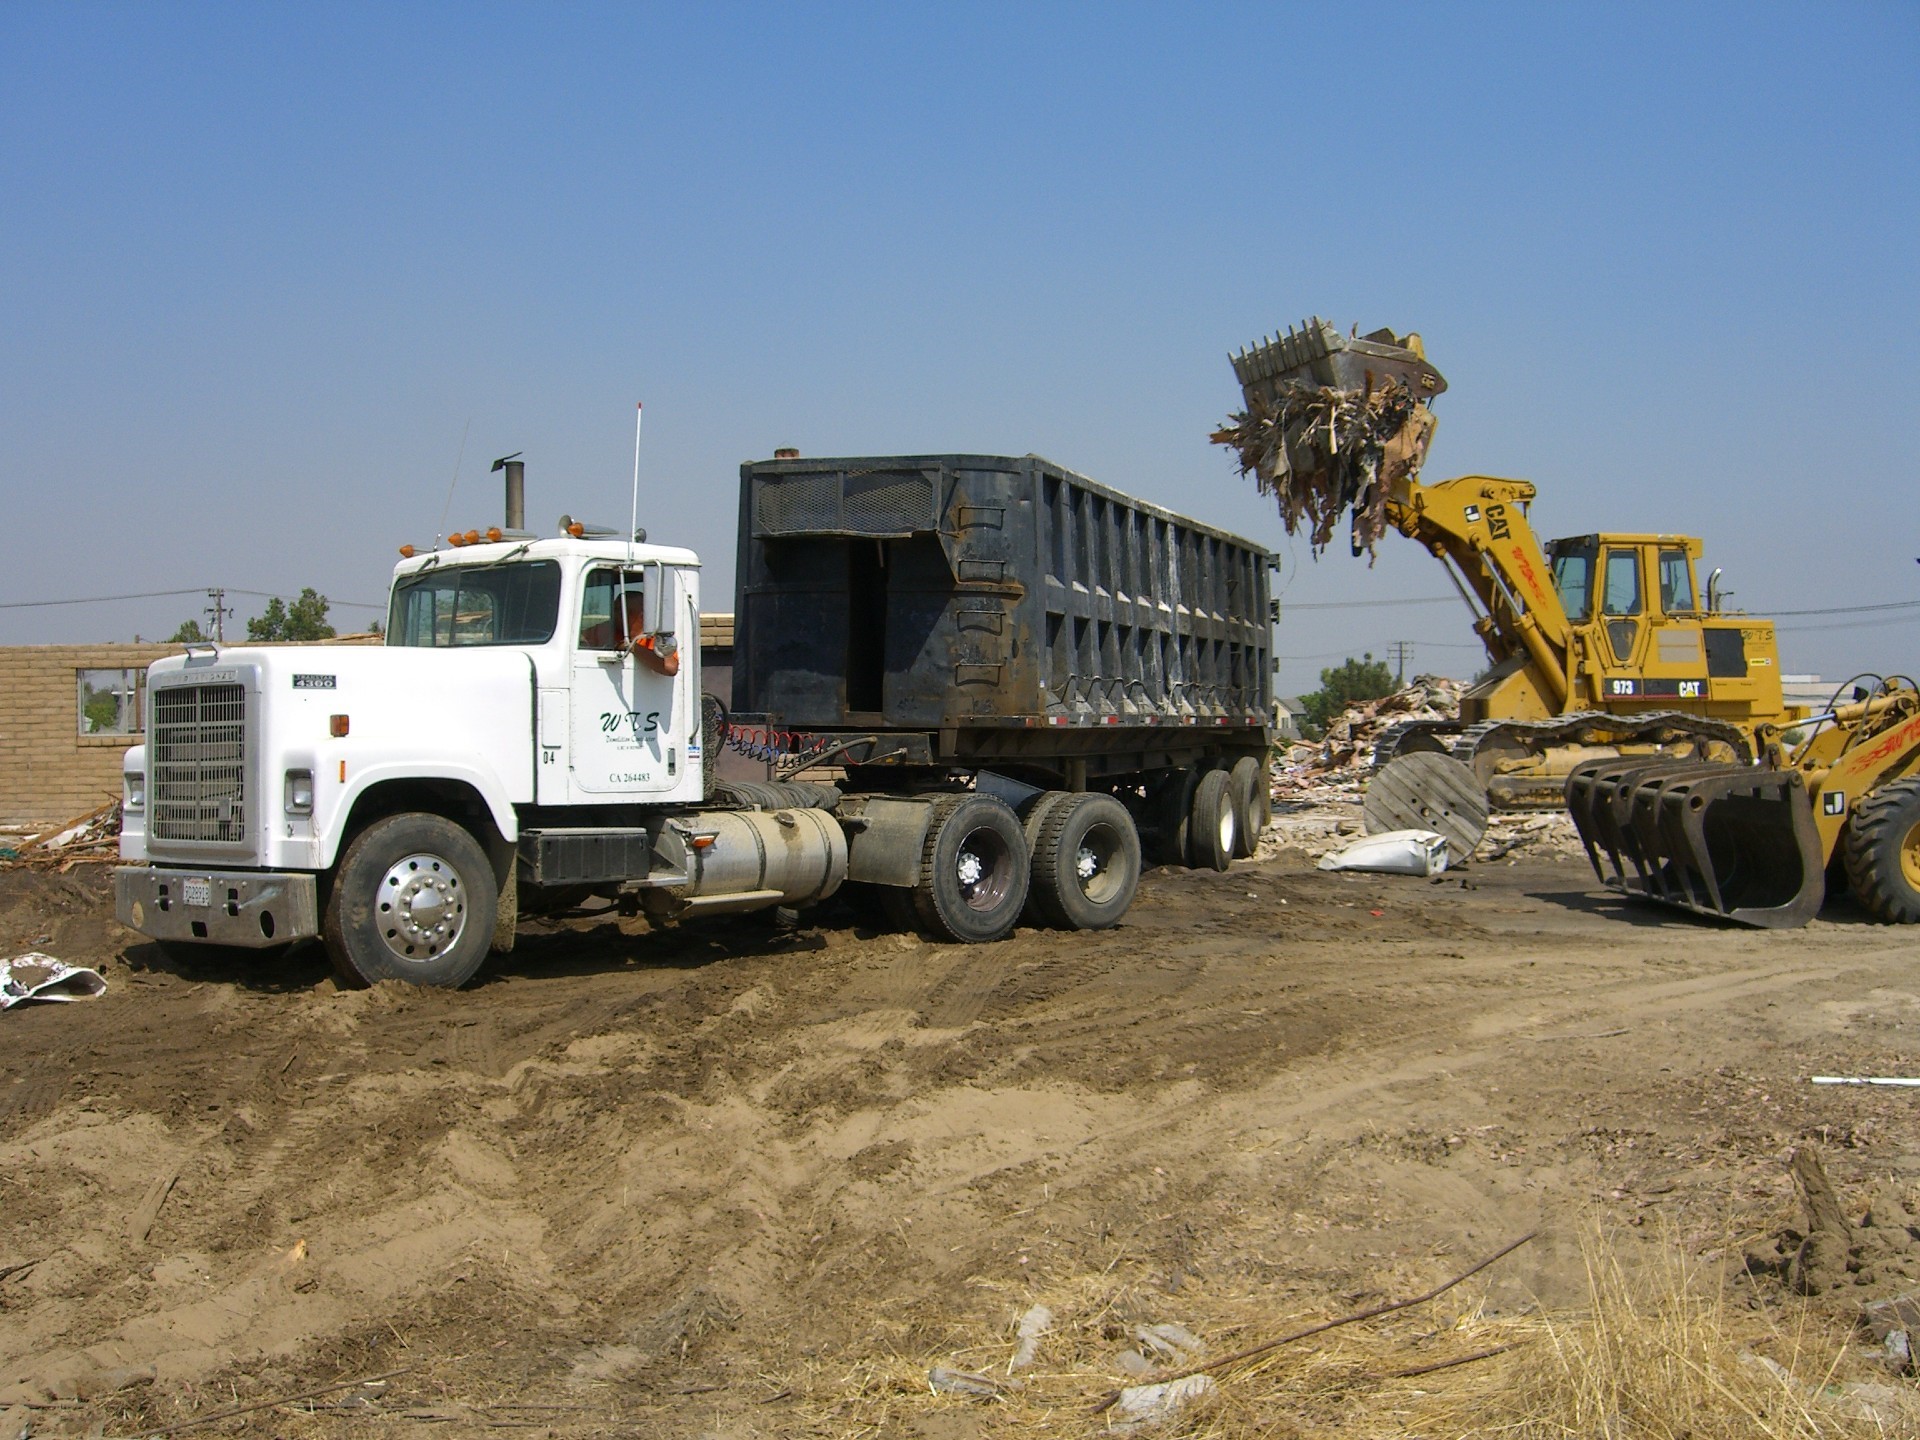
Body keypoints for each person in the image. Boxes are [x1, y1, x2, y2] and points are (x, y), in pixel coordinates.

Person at [581, 587, 679, 675]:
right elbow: (580, 637)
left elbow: (671, 667)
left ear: (642, 617)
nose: (614, 614)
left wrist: (630, 646)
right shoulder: (609, 628)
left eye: (621, 610)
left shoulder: (655, 639)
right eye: (614, 609)